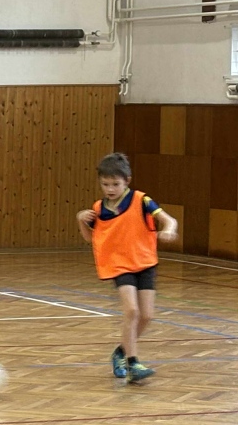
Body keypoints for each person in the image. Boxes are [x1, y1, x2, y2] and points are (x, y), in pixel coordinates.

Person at [76, 152, 177, 383]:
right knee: (132, 311)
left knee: (147, 315)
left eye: (115, 184)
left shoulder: (142, 200)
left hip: (145, 262)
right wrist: (81, 220)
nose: (110, 189)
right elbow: (92, 238)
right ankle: (134, 363)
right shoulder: (99, 209)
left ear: (127, 181)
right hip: (120, 265)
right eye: (105, 184)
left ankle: (120, 352)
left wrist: (169, 229)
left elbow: (169, 220)